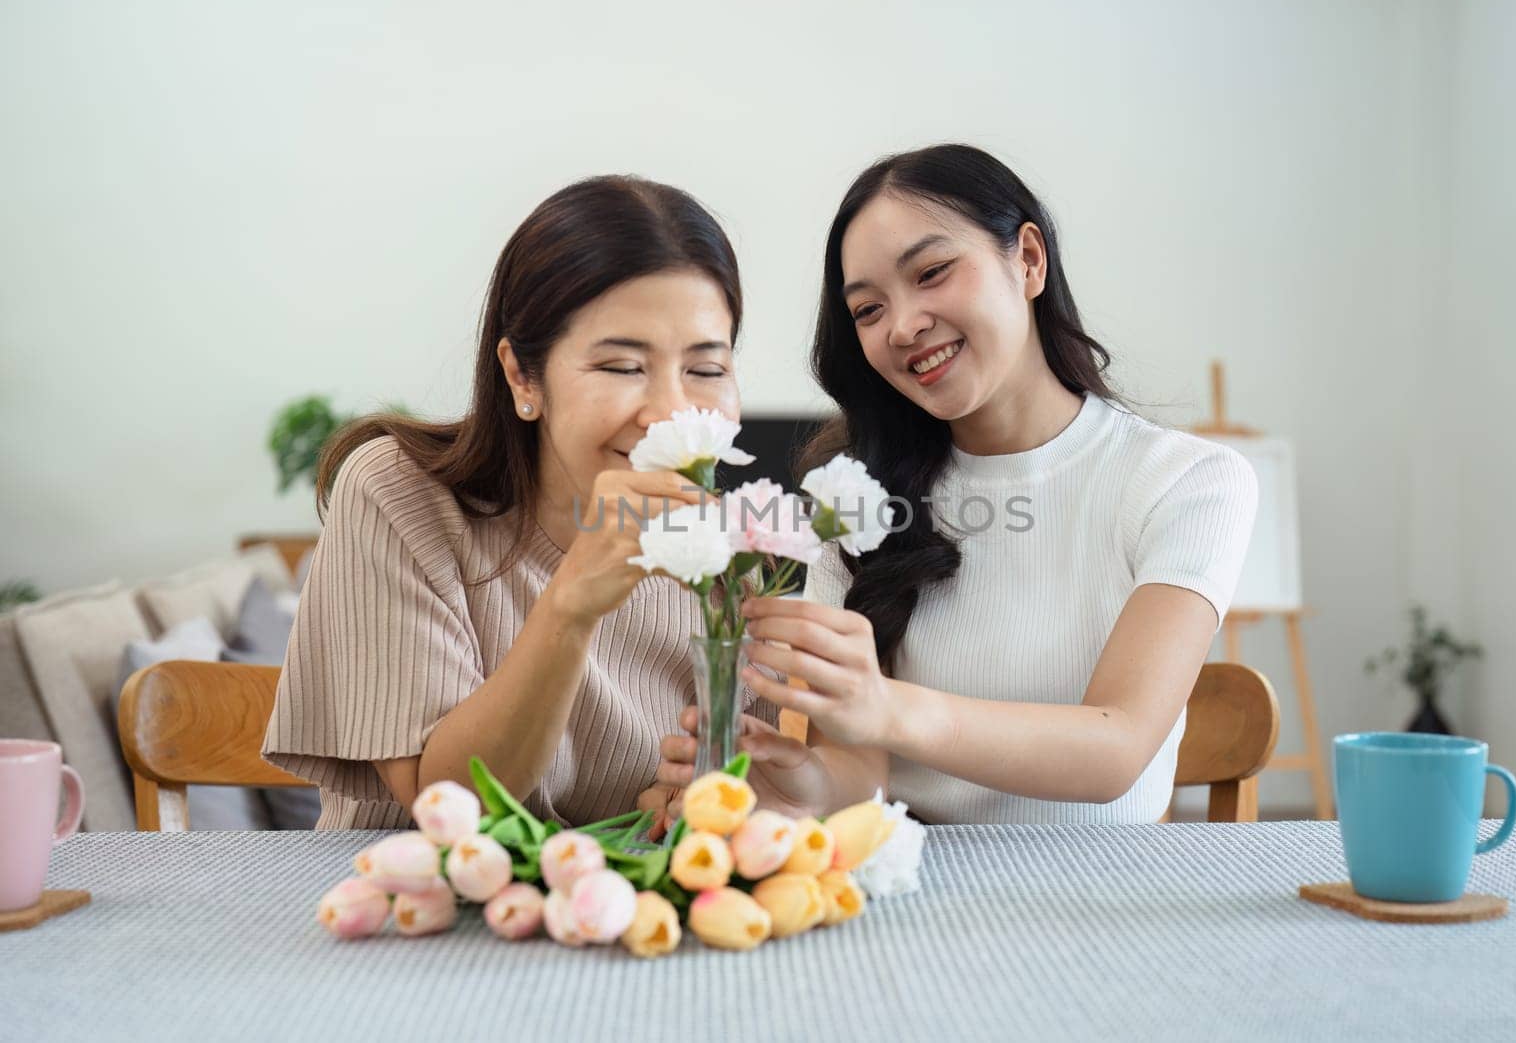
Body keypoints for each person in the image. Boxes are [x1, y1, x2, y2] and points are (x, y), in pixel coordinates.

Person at [654, 144, 1257, 824]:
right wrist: (797, 782)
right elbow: (856, 778)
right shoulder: (854, 502)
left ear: (1028, 259)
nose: (904, 325)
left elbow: (1117, 746)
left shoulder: (1185, 482)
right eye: (868, 310)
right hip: (910, 902)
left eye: (933, 272)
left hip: (1103, 905)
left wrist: (889, 708)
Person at [263, 175, 777, 828]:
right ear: (520, 375)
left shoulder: (736, 553)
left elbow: (740, 791)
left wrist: (688, 810)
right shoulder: (395, 494)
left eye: (706, 370)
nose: (671, 414)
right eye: (622, 366)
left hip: (613, 919)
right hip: (419, 912)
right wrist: (571, 602)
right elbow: (446, 804)